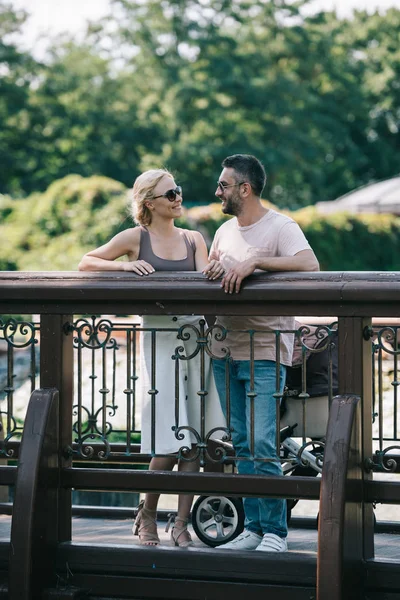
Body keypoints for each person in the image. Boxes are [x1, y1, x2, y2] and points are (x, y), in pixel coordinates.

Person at [79, 168, 226, 548]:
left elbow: (205, 291)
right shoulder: (134, 238)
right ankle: (146, 514)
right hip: (159, 341)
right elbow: (87, 262)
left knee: (193, 437)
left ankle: (181, 523)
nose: (179, 198)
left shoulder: (194, 239)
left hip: (196, 339)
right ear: (150, 203)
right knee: (167, 437)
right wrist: (125, 266)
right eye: (170, 194)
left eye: (178, 191)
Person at [203, 154, 319, 552]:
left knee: (263, 442)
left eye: (224, 185)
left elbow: (310, 265)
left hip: (266, 351)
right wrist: (212, 272)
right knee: (242, 443)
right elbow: (215, 273)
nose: (217, 191)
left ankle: (276, 533)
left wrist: (255, 262)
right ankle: (252, 527)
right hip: (224, 350)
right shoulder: (222, 231)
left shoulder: (281, 226)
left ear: (245, 189)